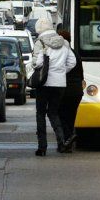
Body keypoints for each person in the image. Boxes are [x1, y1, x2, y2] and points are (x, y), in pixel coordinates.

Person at [32, 17, 76, 156]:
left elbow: (37, 63)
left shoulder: (40, 42)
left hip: (44, 83)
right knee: (53, 113)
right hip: (60, 84)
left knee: (40, 114)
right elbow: (72, 62)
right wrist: (61, 71)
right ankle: (61, 142)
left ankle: (42, 147)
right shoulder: (65, 43)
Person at [57, 30, 83, 152]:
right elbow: (81, 74)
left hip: (65, 90)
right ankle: (68, 143)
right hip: (77, 91)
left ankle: (67, 139)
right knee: (71, 116)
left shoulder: (61, 54)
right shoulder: (75, 54)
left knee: (61, 115)